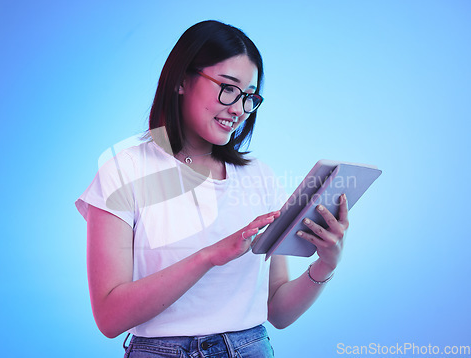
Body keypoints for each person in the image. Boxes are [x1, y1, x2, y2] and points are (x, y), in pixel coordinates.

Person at [75, 20, 348, 358]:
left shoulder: (259, 177)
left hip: (250, 348)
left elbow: (277, 310)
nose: (238, 109)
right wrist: (208, 257)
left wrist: (325, 264)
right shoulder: (125, 169)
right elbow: (109, 317)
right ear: (181, 81)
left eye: (249, 96)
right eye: (228, 87)